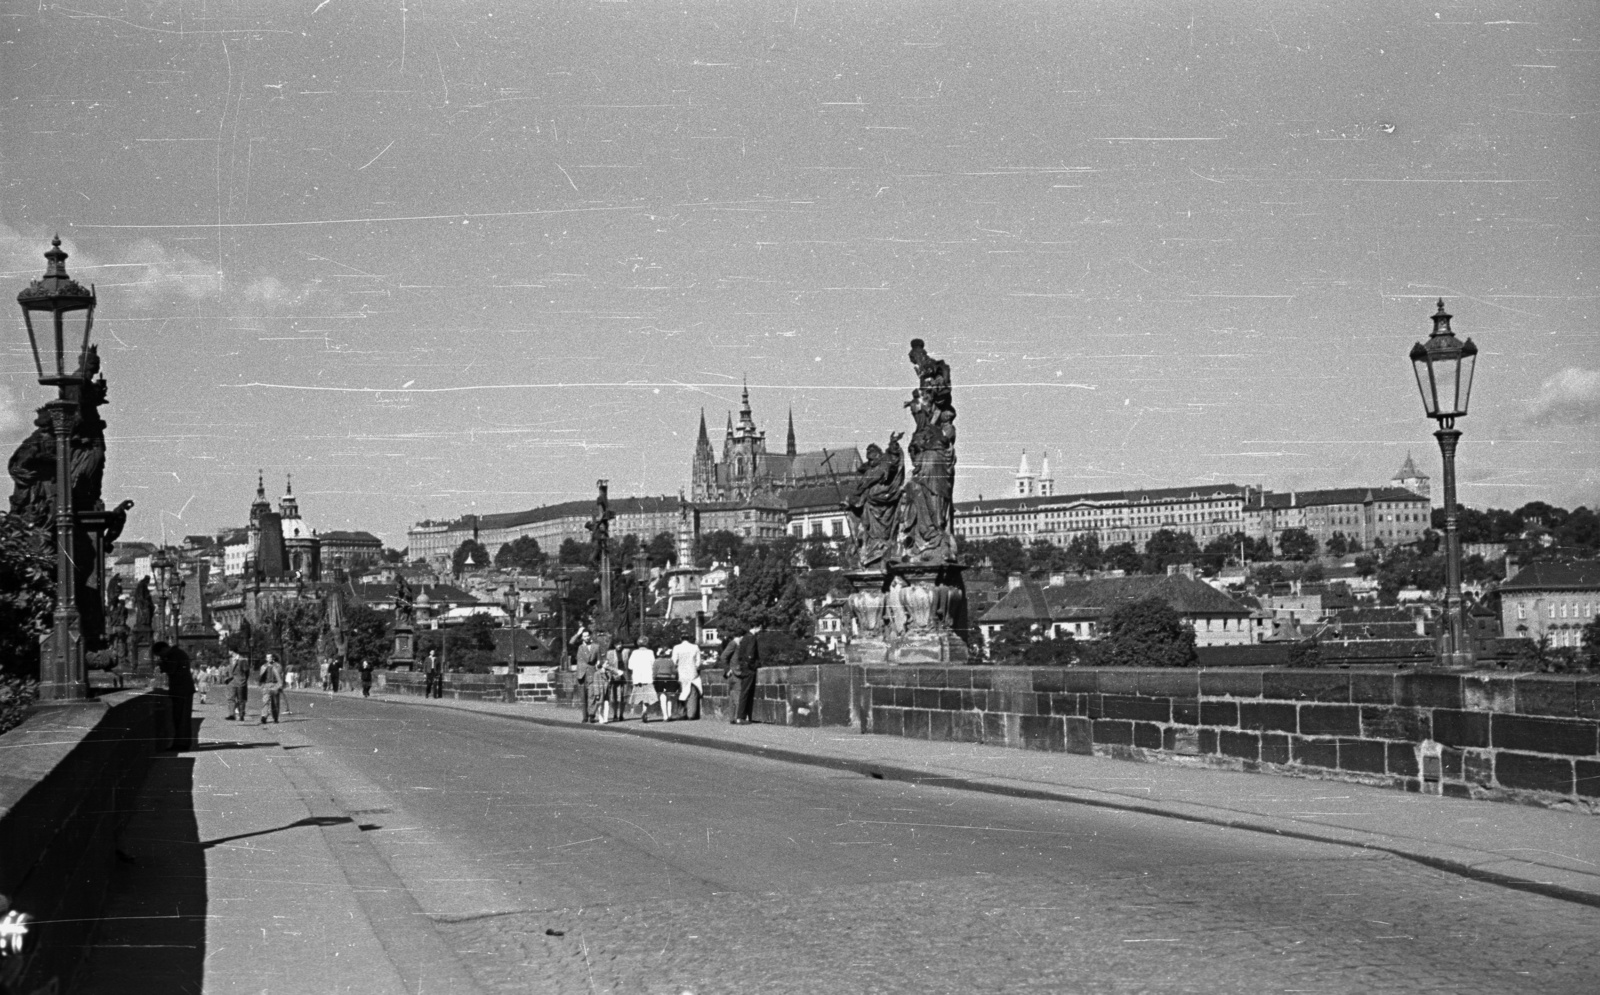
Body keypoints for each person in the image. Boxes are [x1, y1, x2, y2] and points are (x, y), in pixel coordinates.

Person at [152, 641, 195, 751]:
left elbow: (171, 669)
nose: (160, 657)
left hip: (181, 690)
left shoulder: (174, 655)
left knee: (180, 718)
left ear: (163, 649)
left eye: (159, 654)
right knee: (181, 717)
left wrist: (161, 664)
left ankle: (182, 744)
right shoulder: (178, 653)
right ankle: (182, 743)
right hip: (183, 689)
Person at [728, 625, 763, 725]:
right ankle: (741, 717)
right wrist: (753, 665)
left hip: (743, 668)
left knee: (744, 692)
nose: (760, 630)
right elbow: (750, 655)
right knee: (746, 692)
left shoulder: (744, 637)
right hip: (749, 669)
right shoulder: (751, 638)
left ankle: (743, 717)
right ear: (757, 627)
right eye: (760, 628)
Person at [672, 634, 703, 721]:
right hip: (692, 673)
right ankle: (691, 714)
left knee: (681, 693)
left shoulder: (677, 648)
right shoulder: (695, 647)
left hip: (681, 673)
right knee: (692, 694)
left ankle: (682, 713)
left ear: (680, 638)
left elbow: (674, 661)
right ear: (689, 638)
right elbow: (698, 662)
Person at [626, 637, 658, 722]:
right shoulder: (650, 652)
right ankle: (645, 710)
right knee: (647, 695)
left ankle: (641, 711)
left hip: (638, 677)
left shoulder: (634, 653)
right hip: (647, 677)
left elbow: (630, 666)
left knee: (639, 695)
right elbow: (653, 664)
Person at [573, 631, 602, 723]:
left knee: (592, 695)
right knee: (583, 696)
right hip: (581, 675)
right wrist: (578, 633)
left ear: (590, 636)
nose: (586, 637)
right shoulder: (580, 647)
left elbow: (599, 660)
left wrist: (598, 663)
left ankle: (591, 715)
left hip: (592, 673)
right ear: (582, 637)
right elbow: (571, 642)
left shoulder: (596, 647)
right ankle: (584, 716)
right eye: (584, 636)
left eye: (588, 635)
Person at [258, 654, 284, 724]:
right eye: (267, 657)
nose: (269, 658)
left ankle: (275, 717)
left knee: (275, 703)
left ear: (273, 658)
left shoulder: (278, 666)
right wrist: (261, 686)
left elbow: (281, 676)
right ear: (266, 659)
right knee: (265, 701)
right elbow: (261, 677)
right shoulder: (263, 667)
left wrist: (280, 686)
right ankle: (264, 716)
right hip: (266, 685)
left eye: (270, 657)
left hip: (275, 685)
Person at [225, 651, 251, 721]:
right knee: (231, 698)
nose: (229, 652)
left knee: (241, 700)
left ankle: (241, 714)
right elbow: (229, 670)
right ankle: (232, 715)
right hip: (232, 682)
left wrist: (244, 680)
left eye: (230, 650)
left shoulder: (242, 660)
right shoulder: (230, 659)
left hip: (240, 682)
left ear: (233, 651)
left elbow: (247, 671)